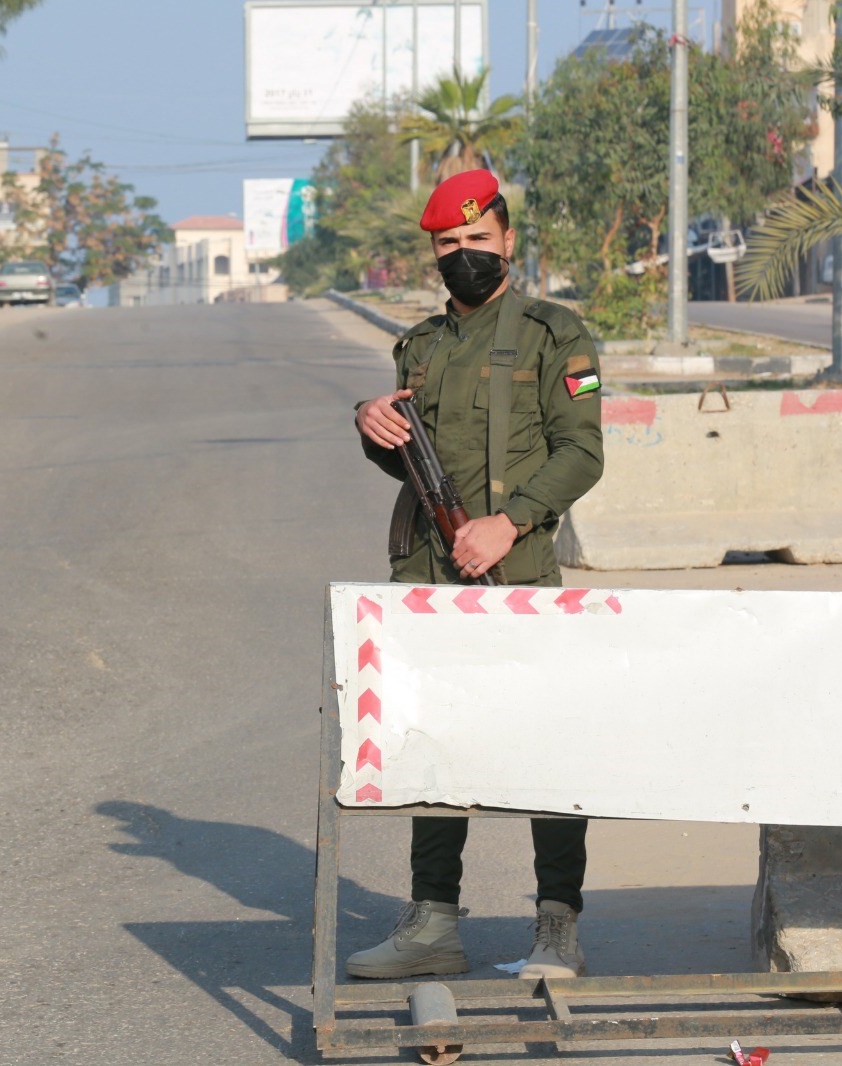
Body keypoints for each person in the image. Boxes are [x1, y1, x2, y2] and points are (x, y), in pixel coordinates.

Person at [348, 169, 604, 981]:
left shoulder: (555, 334)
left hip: (518, 574)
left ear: (507, 241)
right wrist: (372, 426)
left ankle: (557, 924)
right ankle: (433, 922)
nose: (465, 254)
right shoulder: (420, 345)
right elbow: (412, 463)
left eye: (478, 239)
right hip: (429, 576)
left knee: (546, 747)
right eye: (449, 243)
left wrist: (510, 520)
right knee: (433, 745)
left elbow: (582, 452)